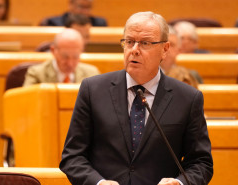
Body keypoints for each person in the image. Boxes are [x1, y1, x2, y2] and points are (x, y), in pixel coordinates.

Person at [60, 11, 213, 185]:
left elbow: (201, 163)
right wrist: (98, 183)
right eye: (129, 42)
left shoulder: (187, 98)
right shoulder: (92, 90)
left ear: (165, 49)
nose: (134, 50)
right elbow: (72, 157)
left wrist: (179, 183)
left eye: (145, 43)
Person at [24, 28, 99, 86]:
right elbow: (28, 102)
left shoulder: (92, 74)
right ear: (53, 51)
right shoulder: (36, 74)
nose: (70, 63)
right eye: (65, 57)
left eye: (75, 57)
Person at [40, 0, 107, 27]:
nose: (85, 11)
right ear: (70, 5)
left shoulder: (100, 24)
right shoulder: (52, 23)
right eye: (81, 7)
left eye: (88, 7)